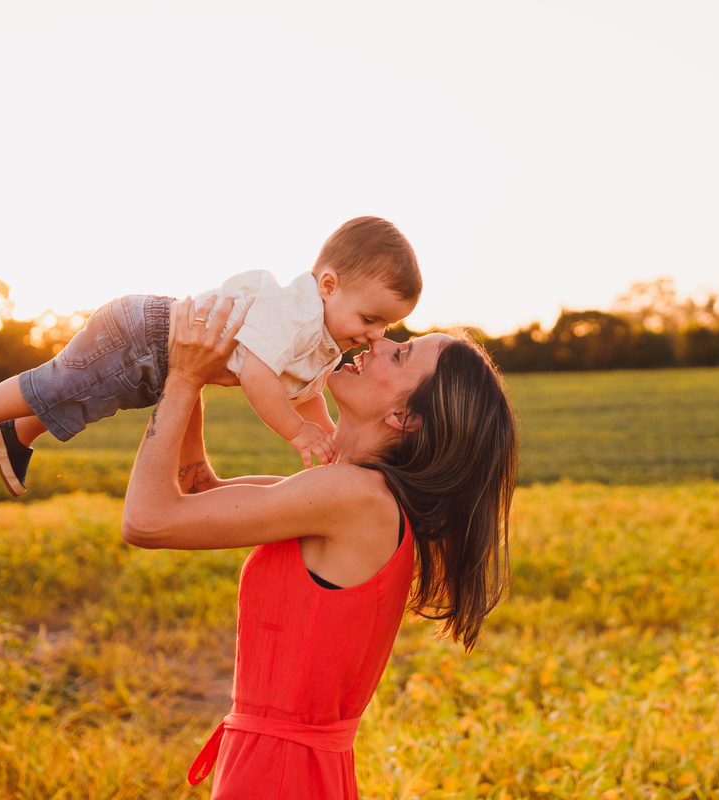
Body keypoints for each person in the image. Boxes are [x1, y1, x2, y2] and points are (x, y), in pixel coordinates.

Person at [122, 294, 518, 798]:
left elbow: (147, 521)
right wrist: (193, 377)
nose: (379, 341)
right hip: (288, 765)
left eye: (399, 355)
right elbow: (199, 491)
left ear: (405, 417)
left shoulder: (351, 497)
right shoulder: (350, 493)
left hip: (278, 772)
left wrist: (180, 377)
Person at [0, 216, 421, 495]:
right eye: (369, 319)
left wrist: (329, 443)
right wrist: (297, 434)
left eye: (386, 326)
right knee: (62, 383)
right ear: (328, 286)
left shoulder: (326, 342)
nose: (376, 336)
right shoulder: (297, 313)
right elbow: (258, 376)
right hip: (146, 331)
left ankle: (18, 431)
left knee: (89, 399)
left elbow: (308, 397)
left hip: (169, 357)